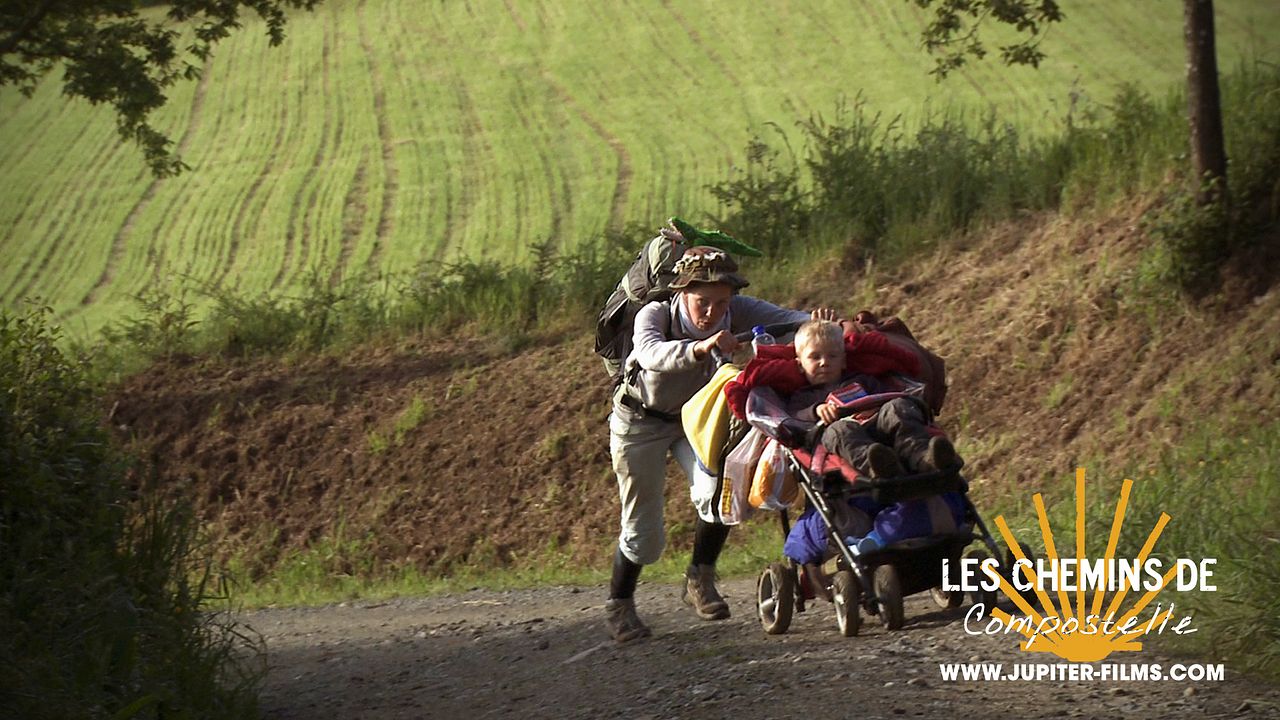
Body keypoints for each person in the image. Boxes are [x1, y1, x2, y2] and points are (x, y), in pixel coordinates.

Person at [605, 245, 830, 642]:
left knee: (719, 493)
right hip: (639, 423)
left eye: (720, 302)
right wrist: (699, 347)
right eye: (701, 302)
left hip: (693, 417)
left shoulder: (737, 309)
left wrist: (823, 325)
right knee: (644, 535)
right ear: (680, 294)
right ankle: (620, 605)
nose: (710, 312)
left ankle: (700, 578)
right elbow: (651, 353)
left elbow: (789, 321)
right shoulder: (654, 314)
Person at [724, 319, 961, 479]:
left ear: (844, 361)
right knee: (839, 430)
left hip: (878, 423)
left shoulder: (860, 380)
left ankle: (924, 457)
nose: (824, 362)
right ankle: (879, 466)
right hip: (843, 433)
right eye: (815, 357)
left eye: (832, 356)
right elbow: (794, 417)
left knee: (899, 406)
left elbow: (883, 394)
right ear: (799, 364)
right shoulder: (802, 396)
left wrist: (877, 405)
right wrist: (816, 411)